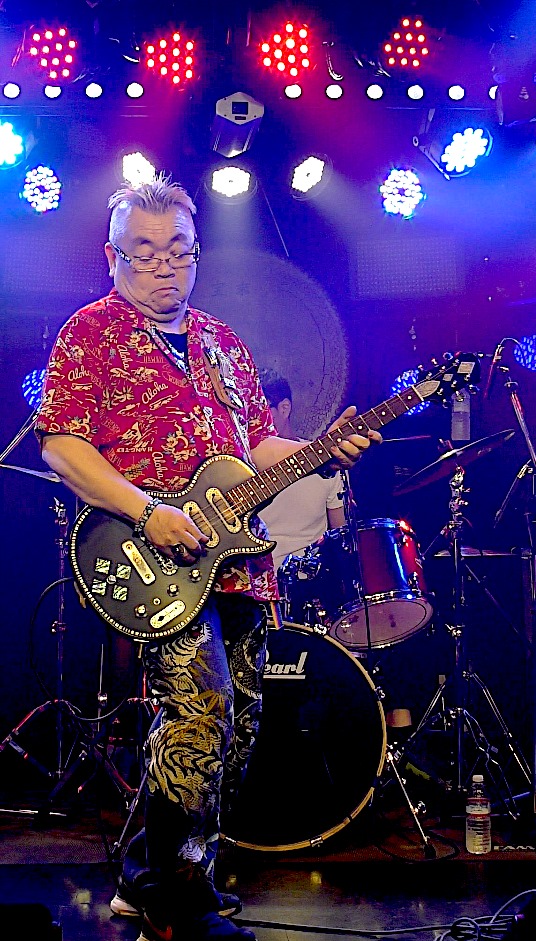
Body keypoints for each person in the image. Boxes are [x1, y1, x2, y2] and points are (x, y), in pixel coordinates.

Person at [35, 174, 379, 941]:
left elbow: (257, 448)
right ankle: (181, 904)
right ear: (113, 256)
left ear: (197, 252)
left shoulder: (225, 342)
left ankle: (146, 876)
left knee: (238, 723)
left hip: (238, 567)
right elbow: (60, 443)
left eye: (179, 251)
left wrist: (324, 449)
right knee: (201, 711)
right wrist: (146, 510)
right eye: (145, 252)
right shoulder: (90, 333)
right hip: (152, 559)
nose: (164, 266)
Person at [257, 368, 346, 572]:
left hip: (313, 581)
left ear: (284, 408)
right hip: (257, 581)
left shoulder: (324, 460)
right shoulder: (237, 467)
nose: (251, 424)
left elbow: (340, 535)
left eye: (259, 414)